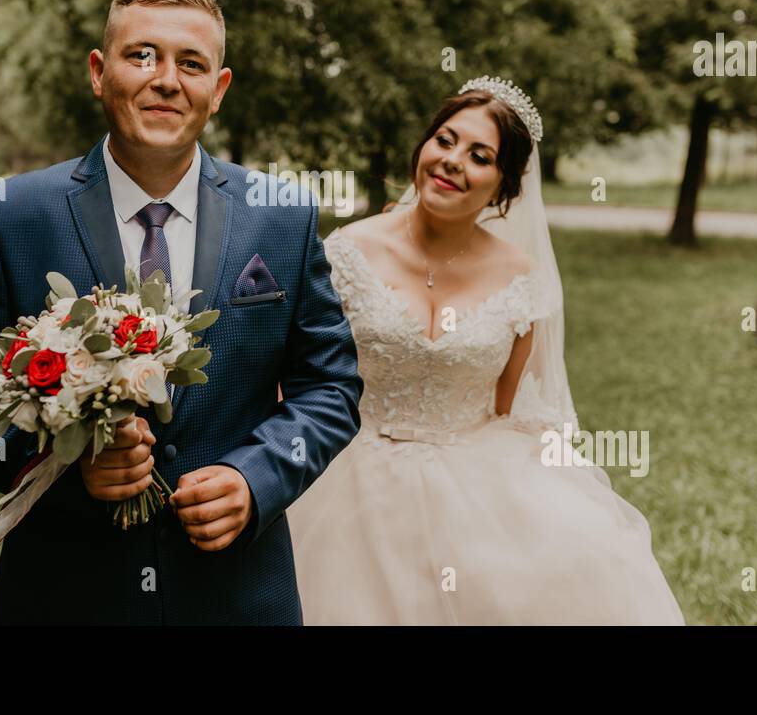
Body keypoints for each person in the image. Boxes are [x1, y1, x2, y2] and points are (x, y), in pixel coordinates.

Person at [0, 0, 362, 624]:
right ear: (99, 73)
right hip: (65, 591)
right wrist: (63, 470)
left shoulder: (283, 216)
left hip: (236, 592)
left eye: (191, 64)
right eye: (142, 55)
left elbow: (329, 386)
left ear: (218, 91)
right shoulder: (13, 215)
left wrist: (256, 478)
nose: (166, 79)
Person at [286, 76, 685, 624]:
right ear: (423, 146)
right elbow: (302, 375)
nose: (452, 162)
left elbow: (510, 405)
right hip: (347, 470)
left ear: (503, 185)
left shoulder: (524, 280)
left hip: (475, 476)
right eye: (444, 140)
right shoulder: (347, 252)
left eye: (479, 155)